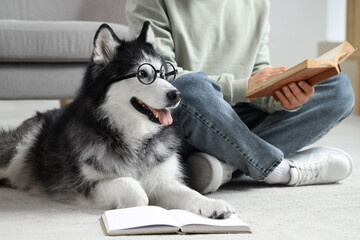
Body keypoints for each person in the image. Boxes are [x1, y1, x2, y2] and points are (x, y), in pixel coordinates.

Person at [126, 0, 355, 194]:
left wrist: (281, 97)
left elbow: (258, 71)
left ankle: (225, 166)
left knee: (339, 89)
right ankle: (277, 170)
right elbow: (162, 78)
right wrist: (243, 87)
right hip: (180, 120)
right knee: (189, 86)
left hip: (232, 120)